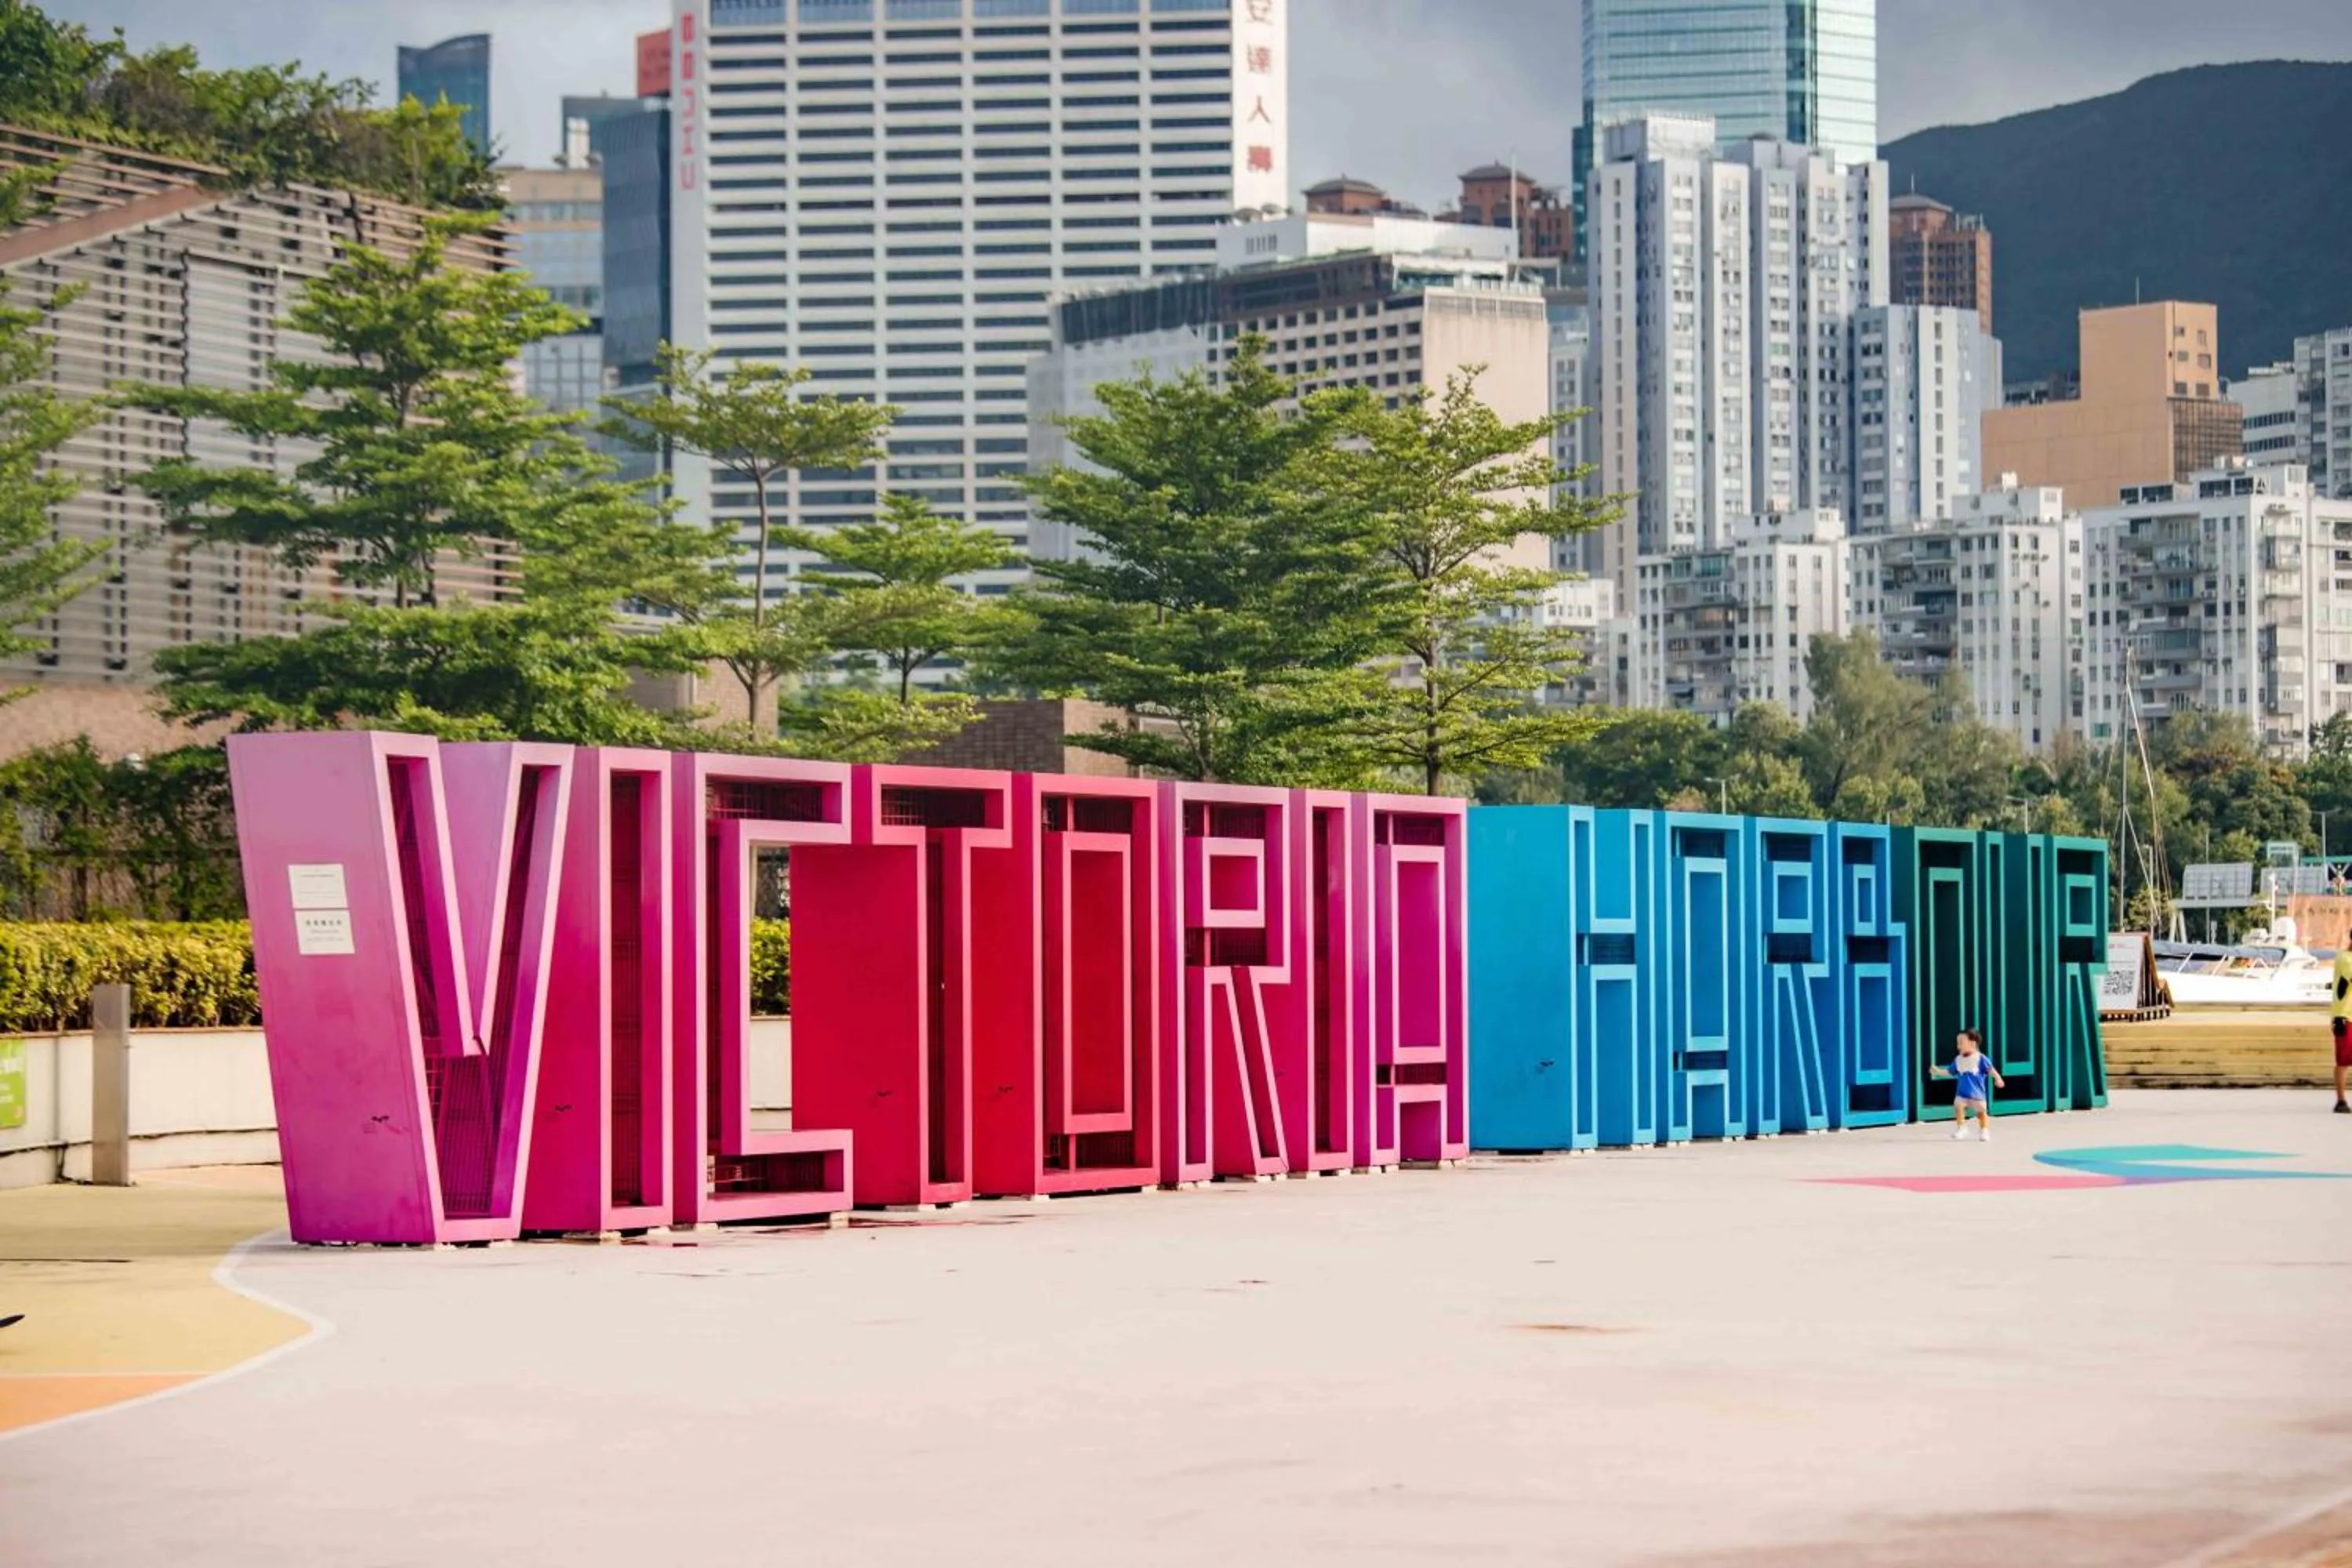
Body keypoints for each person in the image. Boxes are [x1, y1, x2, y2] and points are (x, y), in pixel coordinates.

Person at [1931, 1029, 2005, 1142]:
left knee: (1981, 1111)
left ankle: (1984, 1129)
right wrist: (1938, 1072)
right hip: (1962, 1093)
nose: (1958, 1046)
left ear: (1973, 1043)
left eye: (1961, 1043)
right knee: (1958, 1104)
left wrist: (1998, 1079)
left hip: (1977, 1094)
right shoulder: (1958, 1060)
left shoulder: (1981, 1058)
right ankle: (1962, 1127)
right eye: (1957, 1043)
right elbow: (1950, 1072)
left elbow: (1991, 1070)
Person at [2332, 947, 2352, 1113]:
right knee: (2343, 1061)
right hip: (2345, 1016)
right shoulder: (2347, 959)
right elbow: (2343, 986)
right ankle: (2341, 1101)